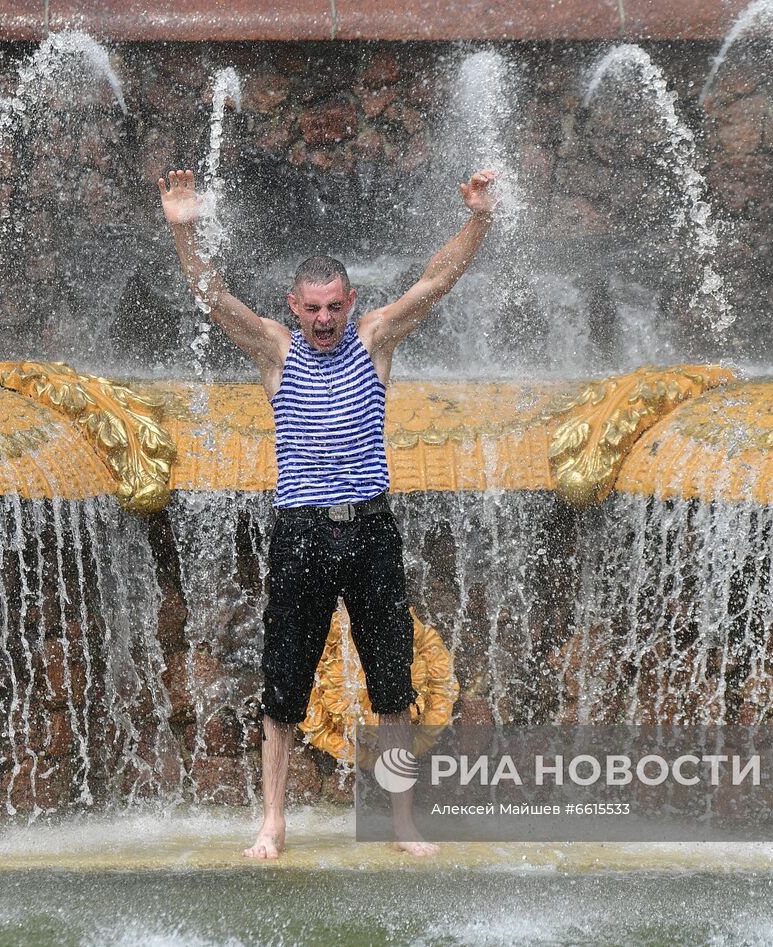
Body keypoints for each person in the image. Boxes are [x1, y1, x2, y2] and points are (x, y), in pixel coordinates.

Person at [158, 166, 499, 859]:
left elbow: (436, 283)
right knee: (284, 687)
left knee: (394, 687)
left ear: (351, 302)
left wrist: (478, 220)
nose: (322, 320)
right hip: (302, 531)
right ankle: (273, 823)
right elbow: (213, 296)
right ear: (293, 305)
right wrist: (183, 229)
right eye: (310, 308)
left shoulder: (374, 339)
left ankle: (401, 822)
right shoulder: (276, 349)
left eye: (333, 308)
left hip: (370, 528)